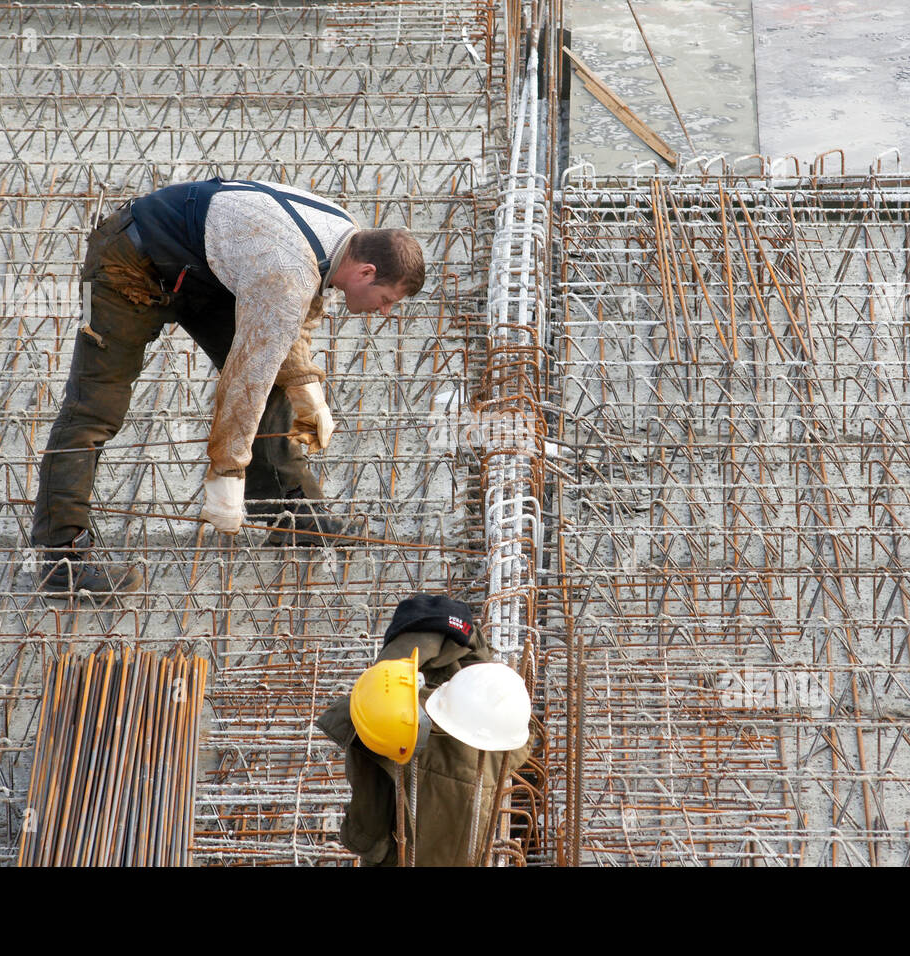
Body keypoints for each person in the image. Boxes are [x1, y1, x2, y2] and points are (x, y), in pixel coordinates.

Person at [30, 178, 425, 596]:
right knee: (94, 409)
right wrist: (226, 470)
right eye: (387, 299)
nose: (384, 312)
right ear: (366, 272)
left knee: (273, 375)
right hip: (129, 264)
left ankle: (289, 512)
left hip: (204, 271)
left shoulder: (345, 235)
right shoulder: (289, 268)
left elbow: (291, 322)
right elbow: (247, 374)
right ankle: (61, 558)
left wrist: (305, 386)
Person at [317, 594, 535, 867]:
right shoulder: (494, 693)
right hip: (479, 848)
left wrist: (368, 848)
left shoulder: (380, 709)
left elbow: (369, 815)